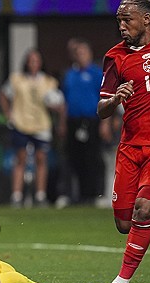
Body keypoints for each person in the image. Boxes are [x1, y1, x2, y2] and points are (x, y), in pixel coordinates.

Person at [97, 0, 150, 283]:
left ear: (146, 19)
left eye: (127, 20)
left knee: (143, 210)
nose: (121, 26)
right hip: (130, 147)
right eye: (118, 20)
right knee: (123, 223)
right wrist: (115, 100)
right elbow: (101, 109)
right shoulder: (114, 57)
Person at [0, 49, 65, 208]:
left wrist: (56, 111)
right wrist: (8, 114)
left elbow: (59, 104)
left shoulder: (49, 81)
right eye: (31, 60)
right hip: (21, 122)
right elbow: (3, 94)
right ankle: (16, 195)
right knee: (20, 158)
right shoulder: (17, 79)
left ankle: (40, 194)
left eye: (36, 60)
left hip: (41, 124)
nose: (33, 63)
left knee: (41, 159)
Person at [62, 39, 110, 205]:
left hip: (92, 120)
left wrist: (105, 123)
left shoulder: (97, 74)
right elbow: (65, 101)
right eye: (78, 53)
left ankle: (94, 194)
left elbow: (105, 98)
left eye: (84, 52)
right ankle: (78, 194)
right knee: (76, 158)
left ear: (89, 55)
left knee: (92, 158)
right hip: (74, 121)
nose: (81, 56)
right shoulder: (70, 75)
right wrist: (63, 123)